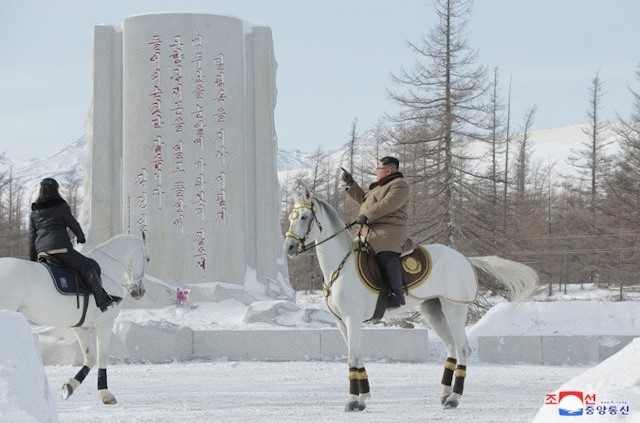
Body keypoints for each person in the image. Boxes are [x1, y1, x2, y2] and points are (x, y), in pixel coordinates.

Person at [29, 177, 120, 312]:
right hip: (60, 249)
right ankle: (102, 300)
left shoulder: (34, 211)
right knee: (88, 265)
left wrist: (32, 259)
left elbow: (32, 237)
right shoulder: (60, 206)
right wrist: (81, 237)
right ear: (56, 190)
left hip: (42, 251)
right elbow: (73, 224)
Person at [341, 157, 410, 309]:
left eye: (378, 169)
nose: (376, 172)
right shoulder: (378, 188)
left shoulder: (400, 185)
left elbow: (387, 204)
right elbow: (365, 202)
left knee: (385, 253)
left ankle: (397, 295)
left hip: (389, 230)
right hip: (370, 229)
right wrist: (351, 184)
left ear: (388, 170)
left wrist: (367, 216)